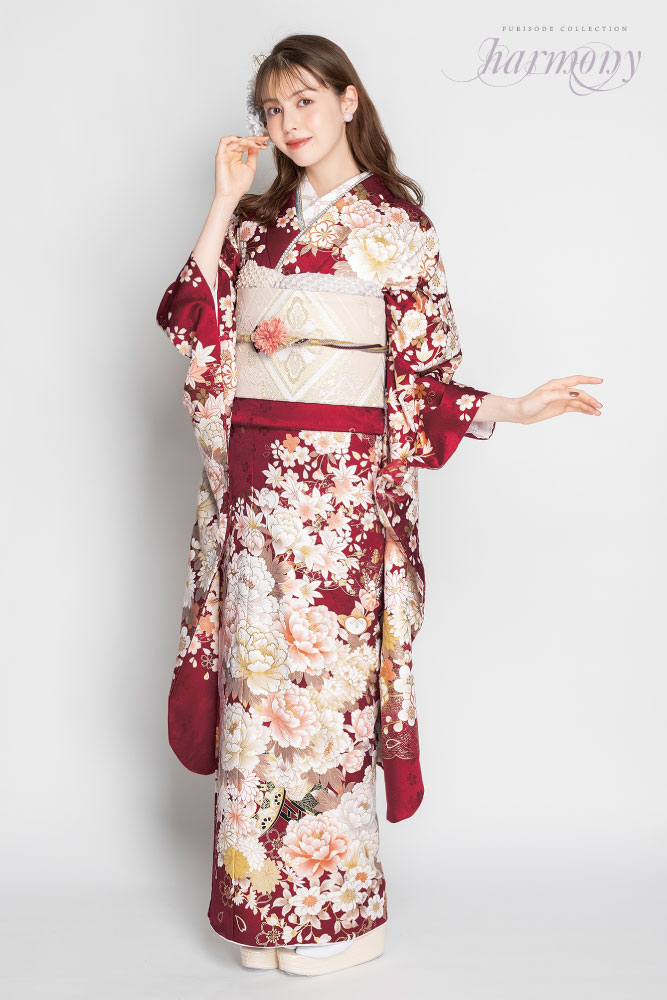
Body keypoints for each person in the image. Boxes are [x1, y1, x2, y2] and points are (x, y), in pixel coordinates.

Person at [155, 34, 603, 978]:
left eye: (304, 101)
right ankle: (260, 914)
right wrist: (224, 200)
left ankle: (337, 917)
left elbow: (420, 385)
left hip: (340, 506)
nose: (287, 124)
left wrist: (516, 408)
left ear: (348, 100)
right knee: (257, 704)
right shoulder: (257, 226)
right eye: (271, 109)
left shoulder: (399, 228)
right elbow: (194, 327)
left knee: (323, 707)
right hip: (255, 499)